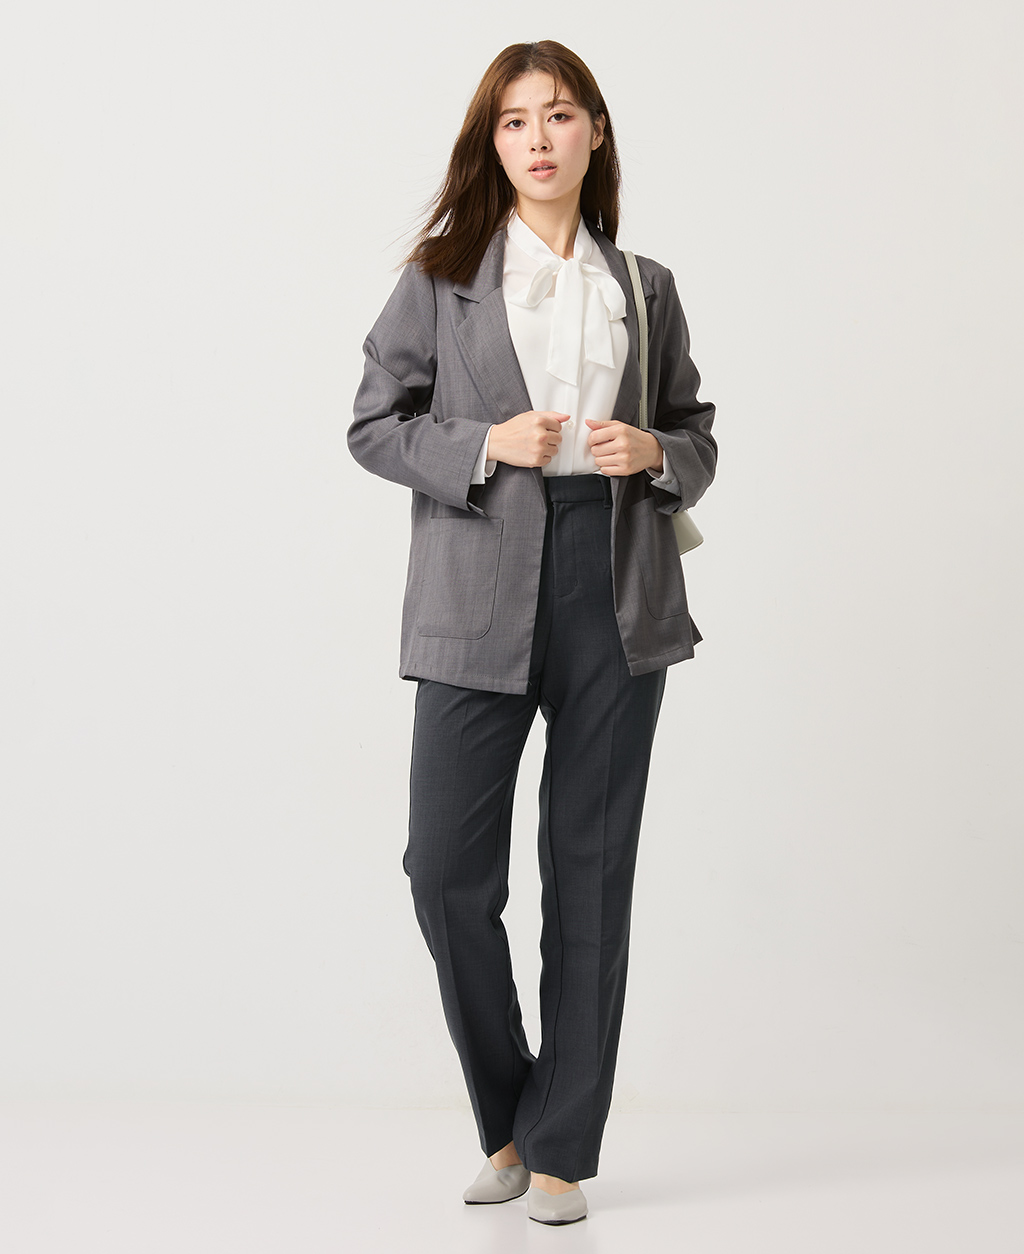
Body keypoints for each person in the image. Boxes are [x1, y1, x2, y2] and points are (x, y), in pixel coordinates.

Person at [348, 39, 717, 1226]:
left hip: (615, 582)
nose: (538, 139)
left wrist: (654, 451)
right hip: (476, 583)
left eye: (559, 116)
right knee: (445, 872)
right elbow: (372, 424)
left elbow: (696, 433)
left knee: (590, 871)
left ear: (594, 132)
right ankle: (511, 1115)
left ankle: (561, 1150)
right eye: (514, 122)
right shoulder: (440, 279)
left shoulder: (644, 286)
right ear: (492, 144)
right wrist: (480, 445)